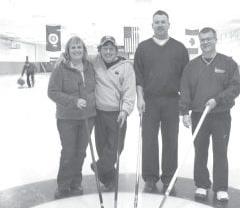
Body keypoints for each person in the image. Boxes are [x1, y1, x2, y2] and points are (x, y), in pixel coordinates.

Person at [179, 27, 240, 202]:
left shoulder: (228, 63)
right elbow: (184, 89)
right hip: (199, 115)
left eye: (209, 39)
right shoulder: (191, 66)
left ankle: (221, 187)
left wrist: (218, 99)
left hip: (220, 115)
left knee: (220, 151)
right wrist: (184, 112)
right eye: (203, 40)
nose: (205, 42)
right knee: (200, 151)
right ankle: (202, 184)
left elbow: (236, 87)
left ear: (215, 40)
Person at [134, 10, 189, 192]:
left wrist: (184, 107)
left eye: (163, 21)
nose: (160, 24)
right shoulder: (142, 48)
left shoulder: (179, 48)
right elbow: (138, 77)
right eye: (156, 22)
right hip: (149, 101)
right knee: (148, 140)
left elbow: (185, 79)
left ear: (168, 24)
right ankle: (150, 178)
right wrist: (140, 98)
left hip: (172, 100)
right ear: (152, 26)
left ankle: (168, 178)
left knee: (171, 140)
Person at [48, 36, 96, 199]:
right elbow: (52, 92)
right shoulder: (60, 68)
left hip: (88, 117)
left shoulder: (90, 66)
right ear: (68, 51)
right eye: (73, 47)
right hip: (67, 118)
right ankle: (63, 185)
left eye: (79, 47)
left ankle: (76, 182)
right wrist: (73, 101)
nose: (77, 50)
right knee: (68, 151)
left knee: (81, 152)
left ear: (84, 50)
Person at [89, 36, 136, 191]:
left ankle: (99, 167)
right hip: (99, 113)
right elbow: (78, 55)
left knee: (116, 147)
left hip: (117, 113)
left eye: (111, 49)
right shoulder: (94, 62)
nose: (108, 52)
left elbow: (129, 91)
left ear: (116, 50)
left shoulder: (126, 67)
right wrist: (64, 56)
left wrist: (125, 110)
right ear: (100, 50)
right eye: (105, 49)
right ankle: (109, 179)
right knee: (102, 147)